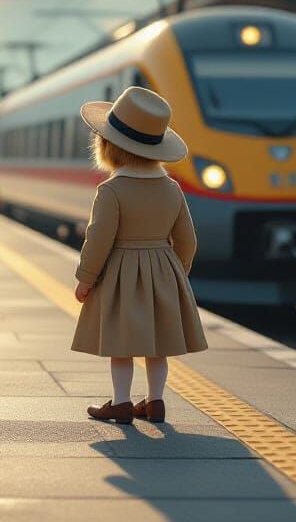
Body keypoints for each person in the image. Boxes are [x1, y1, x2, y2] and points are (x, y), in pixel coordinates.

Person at [72, 86, 207, 424]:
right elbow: (187, 240)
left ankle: (120, 403)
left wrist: (85, 280)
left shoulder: (111, 189)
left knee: (121, 345)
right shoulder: (172, 188)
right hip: (163, 269)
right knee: (156, 346)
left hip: (120, 274)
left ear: (108, 147)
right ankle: (156, 402)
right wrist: (177, 274)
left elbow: (98, 240)